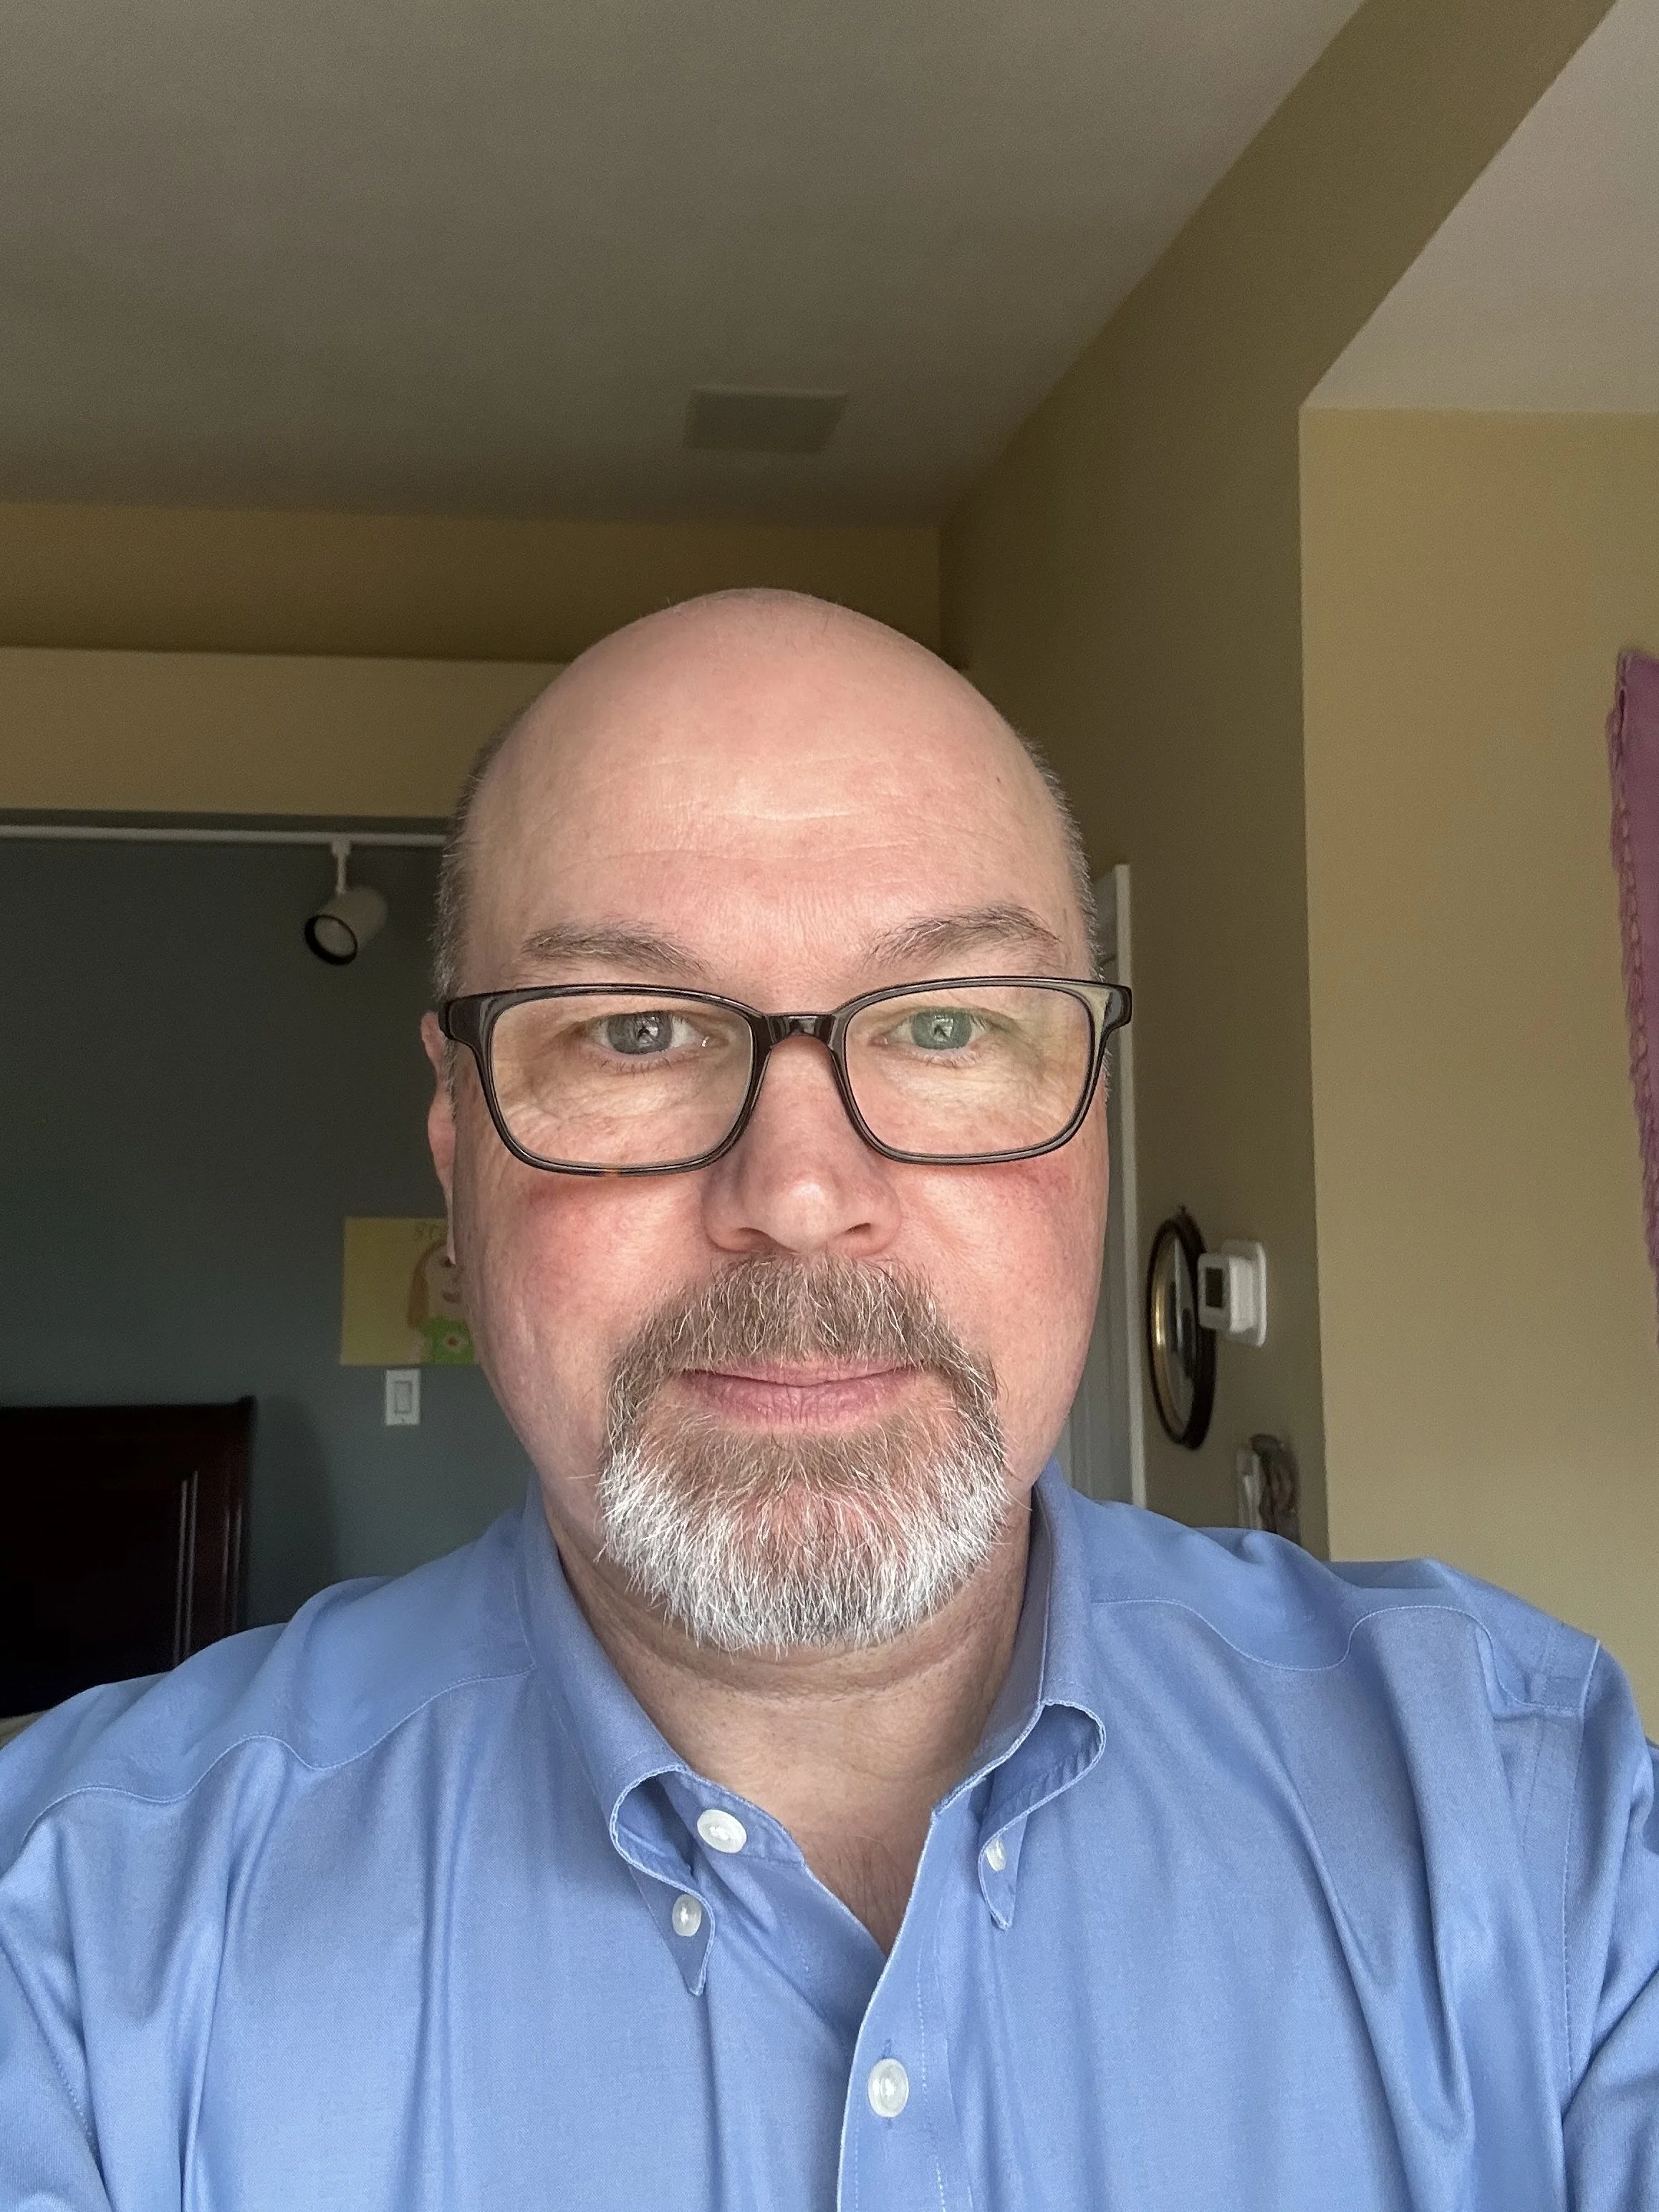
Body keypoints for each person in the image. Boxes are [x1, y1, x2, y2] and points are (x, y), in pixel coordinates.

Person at [1, 590, 1654, 2211]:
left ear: (1088, 1118)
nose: (798, 1190)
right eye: (637, 1030)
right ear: (460, 1140)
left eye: (943, 1023)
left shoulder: (1535, 1821)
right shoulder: (76, 1935)